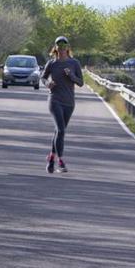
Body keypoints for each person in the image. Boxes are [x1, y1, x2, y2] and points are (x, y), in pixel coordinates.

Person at [41, 35, 84, 173]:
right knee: (61, 130)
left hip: (69, 102)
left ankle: (51, 157)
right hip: (54, 99)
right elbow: (43, 77)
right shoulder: (52, 63)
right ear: (55, 49)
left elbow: (81, 83)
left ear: (68, 48)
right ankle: (60, 161)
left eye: (64, 47)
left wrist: (71, 76)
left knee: (59, 132)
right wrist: (48, 84)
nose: (62, 50)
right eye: (59, 47)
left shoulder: (74, 63)